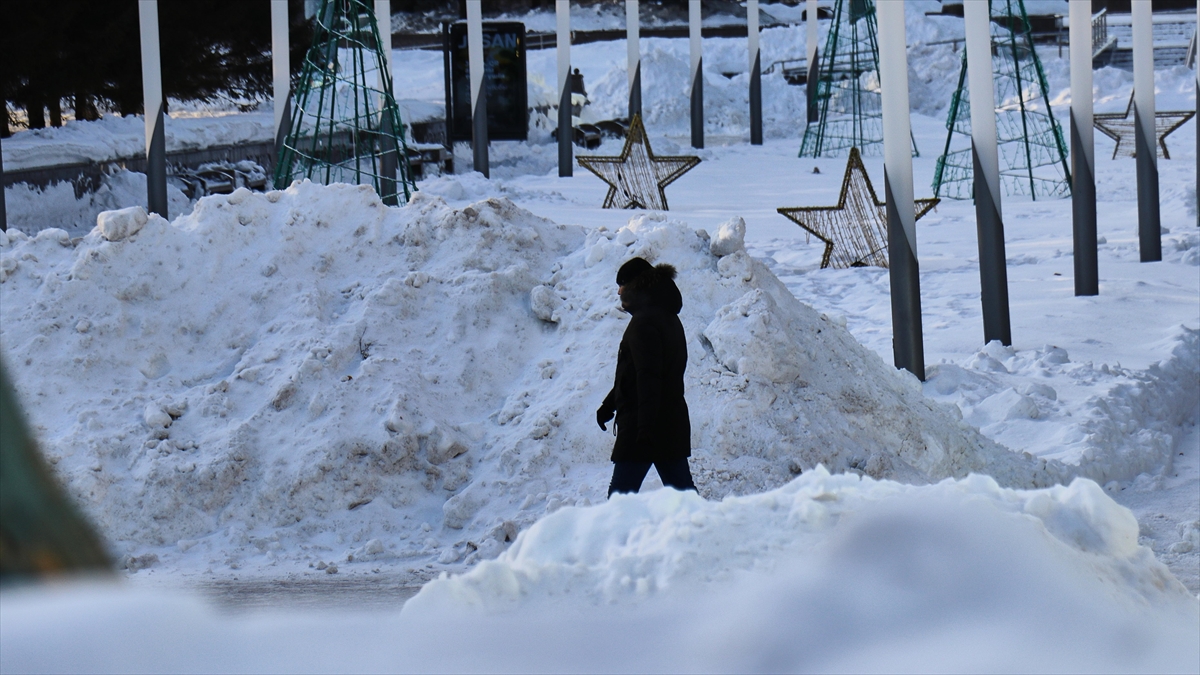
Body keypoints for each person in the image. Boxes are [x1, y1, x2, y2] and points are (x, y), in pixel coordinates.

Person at [596, 258, 697, 497]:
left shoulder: (644, 323)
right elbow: (636, 373)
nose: (619, 291)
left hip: (644, 428)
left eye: (622, 284)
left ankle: (616, 536)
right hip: (668, 423)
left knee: (619, 500)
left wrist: (645, 428)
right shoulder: (666, 317)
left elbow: (648, 378)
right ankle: (706, 532)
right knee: (684, 498)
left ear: (635, 285)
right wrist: (608, 405)